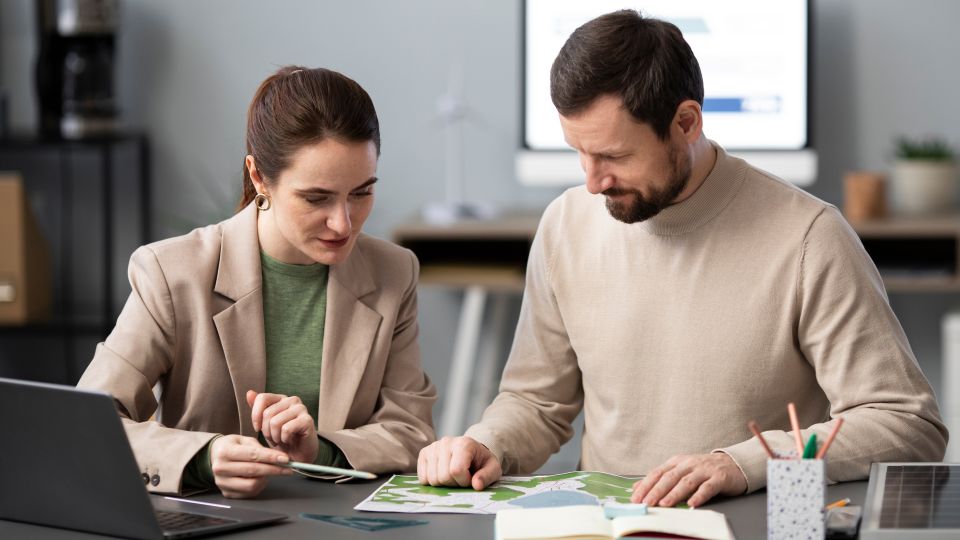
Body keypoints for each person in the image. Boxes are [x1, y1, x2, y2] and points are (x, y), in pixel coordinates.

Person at [417, 10, 947, 508]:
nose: (592, 181)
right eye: (578, 152)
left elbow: (906, 423)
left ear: (687, 122)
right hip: (606, 525)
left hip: (751, 520)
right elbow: (536, 404)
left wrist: (741, 464)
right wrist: (486, 442)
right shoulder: (566, 223)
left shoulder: (809, 236)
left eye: (615, 156)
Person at [78, 66, 437, 498]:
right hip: (210, 520)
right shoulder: (171, 273)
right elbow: (90, 423)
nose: (343, 223)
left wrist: (319, 450)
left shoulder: (393, 273)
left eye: (361, 193)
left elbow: (411, 430)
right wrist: (203, 458)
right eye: (316, 197)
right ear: (258, 176)